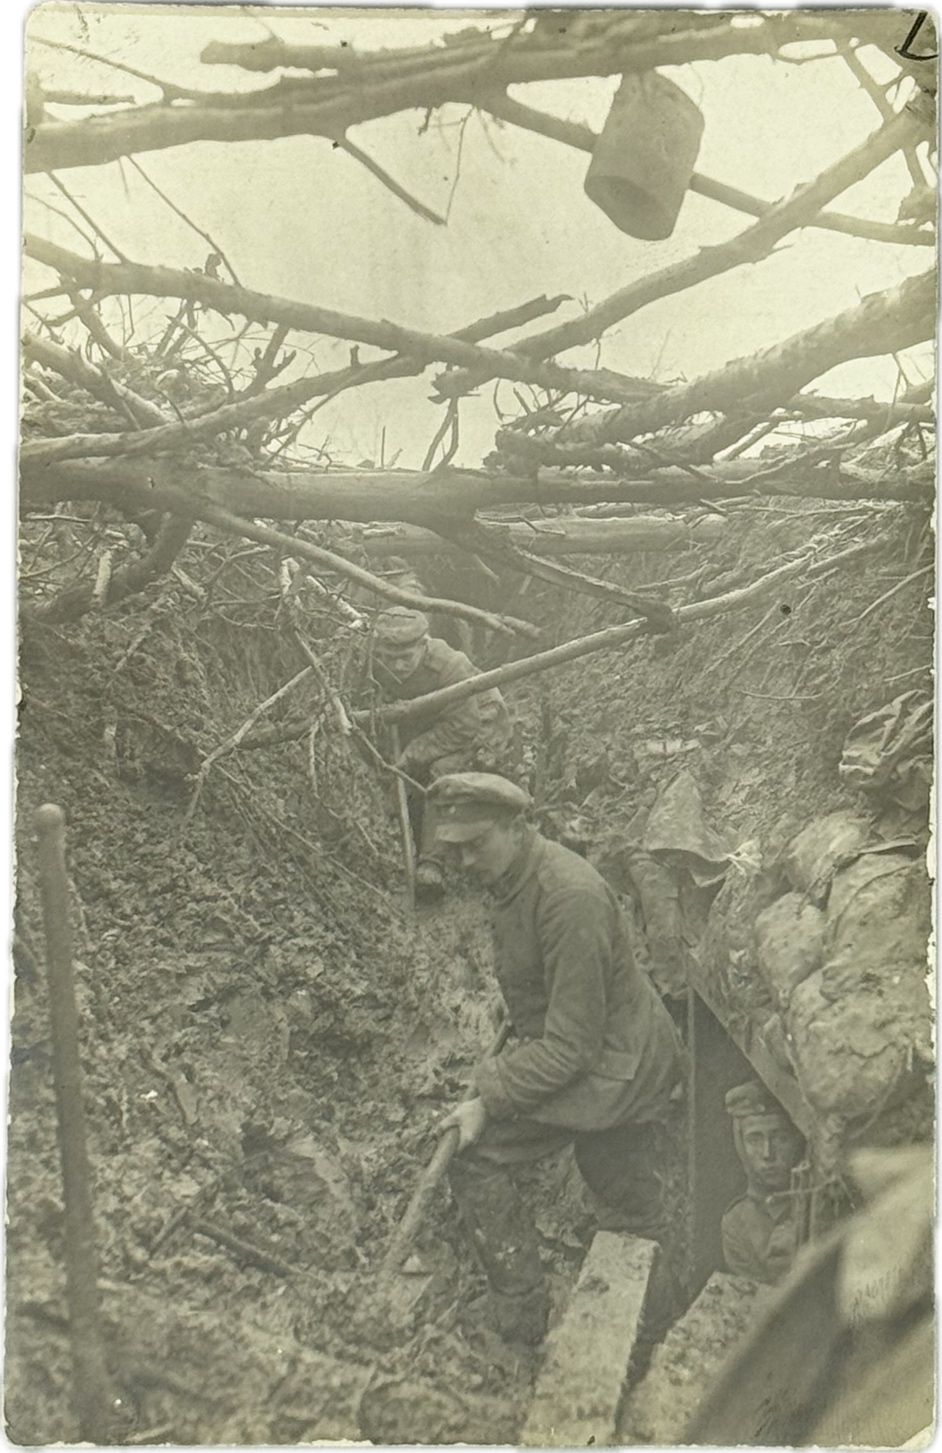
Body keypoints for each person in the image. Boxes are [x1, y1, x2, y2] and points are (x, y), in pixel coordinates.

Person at [428, 771, 687, 1344]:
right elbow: (549, 981)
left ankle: (535, 1319)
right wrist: (520, 1014)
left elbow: (572, 1047)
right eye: (456, 848)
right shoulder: (518, 876)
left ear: (518, 827)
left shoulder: (567, 896)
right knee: (617, 1183)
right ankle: (642, 1312)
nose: (465, 861)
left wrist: (489, 1096)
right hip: (605, 1051)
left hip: (620, 1068)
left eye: (477, 844)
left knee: (480, 1154)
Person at [370, 607, 514, 902]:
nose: (397, 666)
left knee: (442, 771)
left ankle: (432, 861)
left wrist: (413, 753)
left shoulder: (450, 666)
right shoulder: (370, 661)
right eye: (389, 657)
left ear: (423, 646)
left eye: (405, 657)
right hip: (429, 717)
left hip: (478, 720)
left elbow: (463, 727)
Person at [720, 1080, 804, 1285]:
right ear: (740, 1145)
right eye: (754, 1139)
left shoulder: (824, 1205)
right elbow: (754, 1307)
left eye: (781, 1138)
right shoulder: (738, 1223)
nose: (768, 1154)